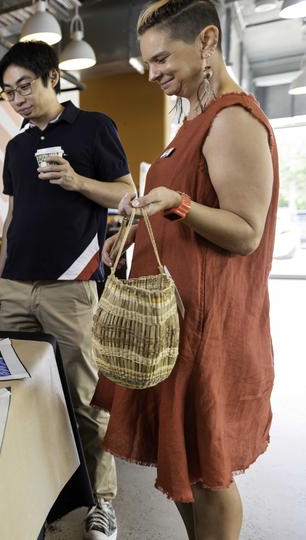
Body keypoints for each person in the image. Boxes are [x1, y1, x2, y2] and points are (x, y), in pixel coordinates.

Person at [95, 2, 277, 539]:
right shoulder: (193, 121)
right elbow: (182, 209)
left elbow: (246, 231)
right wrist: (128, 235)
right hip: (171, 324)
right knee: (185, 466)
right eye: (147, 63)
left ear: (206, 40)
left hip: (208, 326)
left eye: (160, 59)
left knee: (208, 472)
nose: (152, 74)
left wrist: (175, 202)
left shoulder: (233, 119)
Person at [0, 41, 135, 539]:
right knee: (16, 396)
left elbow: (127, 194)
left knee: (84, 400)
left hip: (71, 288)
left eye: (25, 85)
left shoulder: (95, 127)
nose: (18, 99)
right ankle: (34, 492)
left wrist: (77, 181)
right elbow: (13, 218)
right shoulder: (17, 146)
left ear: (53, 78)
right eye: (8, 92)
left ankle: (102, 502)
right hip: (15, 287)